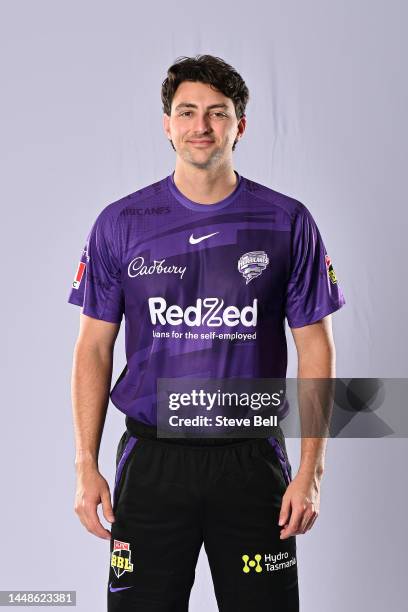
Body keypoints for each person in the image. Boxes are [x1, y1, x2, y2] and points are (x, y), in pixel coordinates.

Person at [67, 54, 346, 612]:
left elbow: (315, 346)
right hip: (152, 460)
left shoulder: (287, 222)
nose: (201, 126)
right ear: (167, 123)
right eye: (187, 112)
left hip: (250, 461)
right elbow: (93, 348)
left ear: (239, 125)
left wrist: (312, 471)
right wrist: (85, 465)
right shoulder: (121, 224)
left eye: (217, 113)